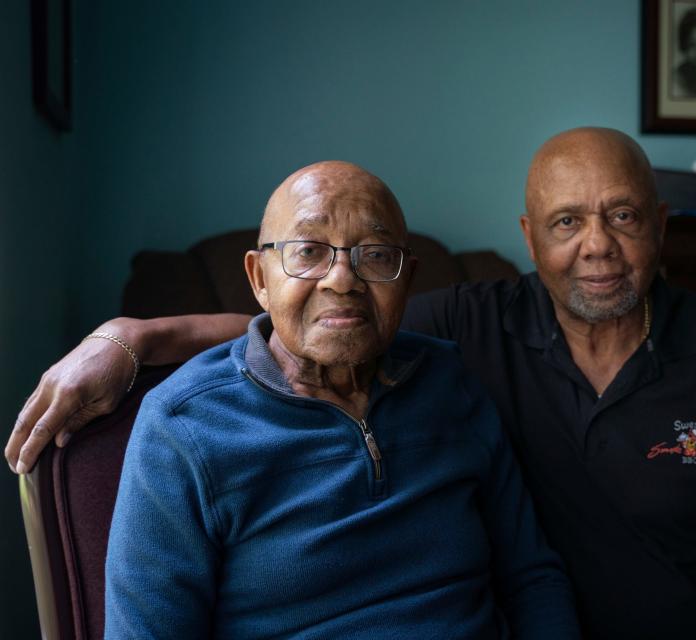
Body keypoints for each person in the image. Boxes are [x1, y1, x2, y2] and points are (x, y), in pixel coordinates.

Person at [7, 129, 696, 639]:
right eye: (566, 222)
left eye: (623, 217)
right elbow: (316, 319)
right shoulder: (189, 427)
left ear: (659, 228)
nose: (597, 246)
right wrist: (134, 335)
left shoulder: (446, 373)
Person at [98, 161, 580, 638]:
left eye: (374, 255)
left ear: (406, 280)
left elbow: (531, 578)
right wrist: (122, 337)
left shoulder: (451, 382)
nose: (342, 279)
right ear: (260, 279)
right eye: (308, 251)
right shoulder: (182, 427)